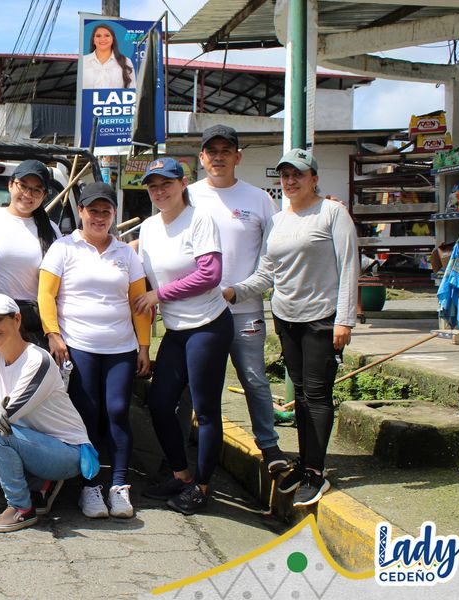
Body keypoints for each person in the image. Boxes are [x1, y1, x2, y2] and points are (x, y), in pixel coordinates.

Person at [226, 148, 358, 507]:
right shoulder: (278, 221)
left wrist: (344, 320)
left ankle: (316, 471)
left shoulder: (332, 213)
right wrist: (233, 292)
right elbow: (266, 274)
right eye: (285, 175)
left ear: (314, 178)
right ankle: (304, 462)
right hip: (286, 319)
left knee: (316, 394)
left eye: (298, 174)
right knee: (299, 394)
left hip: (321, 319)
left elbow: (349, 266)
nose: (290, 181)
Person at [38, 182, 150, 519]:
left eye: (106, 211)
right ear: (80, 212)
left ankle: (119, 486)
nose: (99, 217)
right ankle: (90, 487)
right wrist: (53, 334)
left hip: (121, 348)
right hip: (79, 346)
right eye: (92, 210)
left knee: (117, 411)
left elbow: (139, 303)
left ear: (114, 214)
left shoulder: (126, 254)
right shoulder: (62, 248)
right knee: (86, 414)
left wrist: (144, 346)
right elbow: (46, 295)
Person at [183, 124, 289, 481]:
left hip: (244, 310)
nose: (218, 157)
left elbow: (272, 258)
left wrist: (239, 290)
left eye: (225, 151)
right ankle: (186, 451)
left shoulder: (259, 199)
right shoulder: (187, 196)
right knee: (192, 384)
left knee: (254, 379)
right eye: (211, 151)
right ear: (201, 157)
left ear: (238, 157)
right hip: (197, 312)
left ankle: (270, 447)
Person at [132, 158, 233, 515]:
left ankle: (202, 487)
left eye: (167, 184)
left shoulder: (200, 219)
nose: (160, 191)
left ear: (183, 184)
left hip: (207, 325)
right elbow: (141, 277)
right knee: (160, 404)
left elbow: (210, 274)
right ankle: (181, 474)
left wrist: (159, 295)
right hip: (175, 330)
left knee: (205, 411)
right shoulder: (148, 227)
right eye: (153, 186)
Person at [0, 294, 91, 532]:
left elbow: (7, 415)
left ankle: (21, 508)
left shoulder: (38, 360)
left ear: (16, 319)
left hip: (66, 451)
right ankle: (41, 484)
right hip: (25, 443)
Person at [0, 160, 59, 348]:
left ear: (44, 195)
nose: (28, 194)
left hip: (34, 322)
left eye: (36, 190)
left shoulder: (51, 230)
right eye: (23, 186)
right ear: (10, 185)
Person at [81, 23, 136, 89]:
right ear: (93, 40)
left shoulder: (126, 61)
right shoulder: (83, 61)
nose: (102, 39)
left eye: (107, 35)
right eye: (98, 36)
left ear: (113, 39)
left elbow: (132, 88)